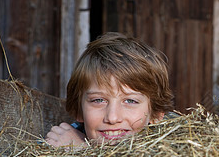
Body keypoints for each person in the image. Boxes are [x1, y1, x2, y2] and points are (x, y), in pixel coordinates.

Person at [45, 32, 174, 147]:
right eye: (98, 100)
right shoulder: (61, 143)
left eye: (130, 101)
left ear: (156, 114)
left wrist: (83, 154)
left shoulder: (174, 152)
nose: (112, 118)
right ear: (78, 110)